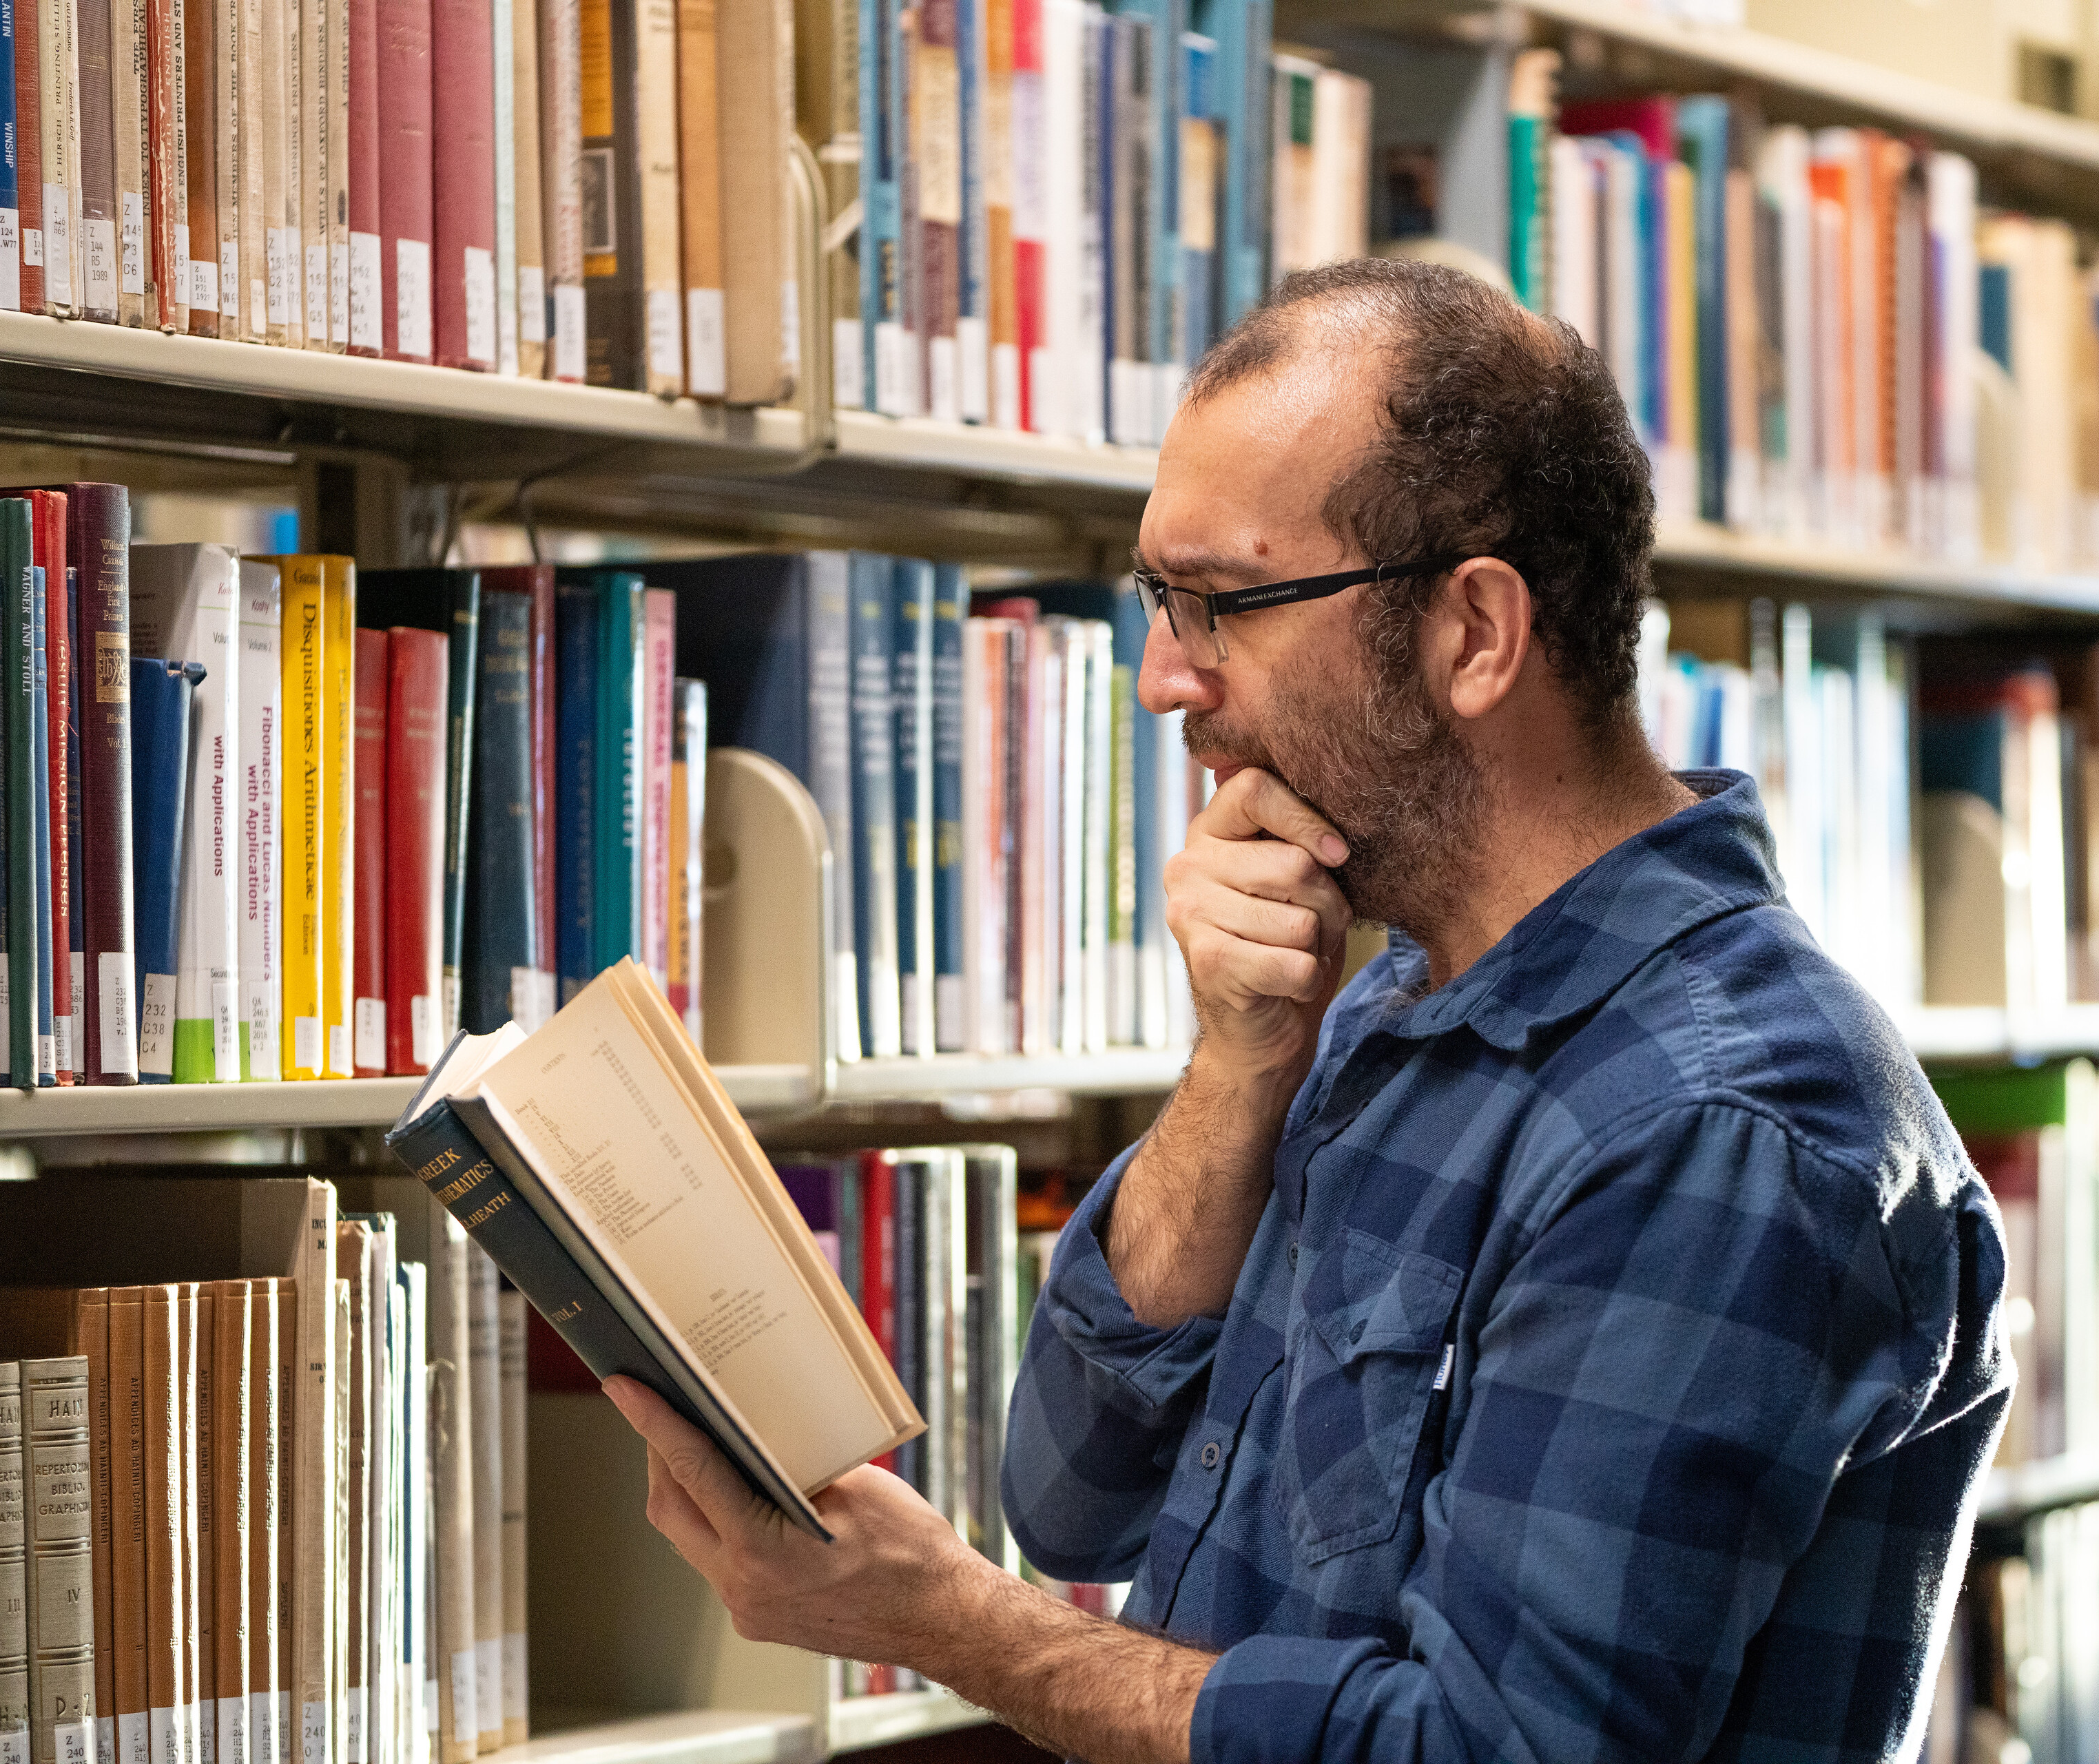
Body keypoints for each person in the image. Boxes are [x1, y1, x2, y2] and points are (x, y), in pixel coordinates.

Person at [605, 257, 2011, 1764]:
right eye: (1160, 601)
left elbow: (1491, 1753)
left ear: (1475, 634)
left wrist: (949, 1621)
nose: (1162, 679)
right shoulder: (1383, 994)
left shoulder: (1721, 1129)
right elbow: (1070, 1492)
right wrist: (1238, 1064)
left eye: (1221, 604)